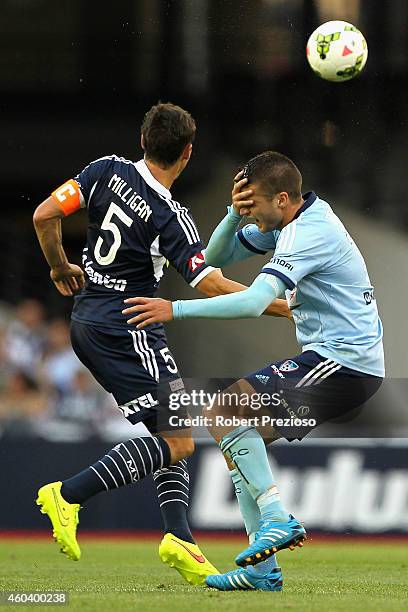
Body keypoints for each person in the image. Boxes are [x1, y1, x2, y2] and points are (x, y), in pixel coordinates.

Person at [33, 107, 291, 586]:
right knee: (180, 440)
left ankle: (179, 537)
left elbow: (44, 214)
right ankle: (68, 495)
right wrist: (279, 305)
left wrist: (57, 267)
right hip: (127, 327)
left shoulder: (104, 170)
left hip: (88, 318)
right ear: (188, 153)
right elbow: (209, 284)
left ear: (142, 139)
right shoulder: (170, 216)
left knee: (171, 429)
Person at [123, 150, 385, 592]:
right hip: (333, 360)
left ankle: (278, 518)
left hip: (344, 364)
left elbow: (252, 302)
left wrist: (176, 309)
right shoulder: (287, 220)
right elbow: (215, 256)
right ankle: (263, 572)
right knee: (235, 440)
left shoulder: (306, 233)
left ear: (282, 199)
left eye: (255, 206)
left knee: (224, 413)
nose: (252, 216)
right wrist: (232, 213)